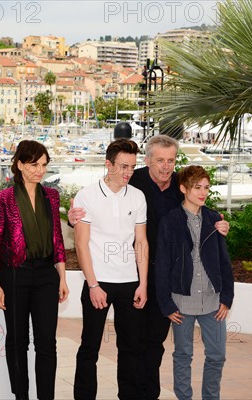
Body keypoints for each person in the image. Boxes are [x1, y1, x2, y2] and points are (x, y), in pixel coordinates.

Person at [69, 135, 230, 399]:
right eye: (159, 161)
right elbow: (93, 221)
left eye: (171, 161)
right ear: (148, 161)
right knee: (110, 344)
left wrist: (218, 222)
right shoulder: (135, 180)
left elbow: (198, 204)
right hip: (130, 276)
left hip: (161, 280)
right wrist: (73, 220)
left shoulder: (178, 183)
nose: (165, 167)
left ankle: (147, 394)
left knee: (152, 344)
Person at [0, 140, 69, 400]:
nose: (40, 171)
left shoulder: (52, 196)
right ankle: (20, 396)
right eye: (34, 164)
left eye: (44, 165)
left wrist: (62, 277)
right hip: (15, 274)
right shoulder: (3, 198)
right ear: (20, 165)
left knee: (47, 343)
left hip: (47, 274)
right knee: (17, 341)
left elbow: (57, 238)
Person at [72, 138, 149, 400]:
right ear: (109, 164)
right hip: (99, 282)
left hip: (130, 283)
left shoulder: (138, 196)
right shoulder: (86, 195)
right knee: (89, 347)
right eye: (123, 166)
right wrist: (93, 284)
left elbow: (141, 241)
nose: (128, 173)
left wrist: (143, 283)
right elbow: (81, 244)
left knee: (131, 347)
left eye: (132, 167)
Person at [155, 165, 234, 400]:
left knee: (217, 355)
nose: (203, 192)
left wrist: (227, 297)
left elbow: (223, 262)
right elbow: (162, 264)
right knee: (182, 355)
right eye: (197, 187)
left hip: (212, 300)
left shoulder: (214, 219)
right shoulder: (170, 221)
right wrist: (166, 303)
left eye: (206, 188)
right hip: (181, 303)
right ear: (183, 188)